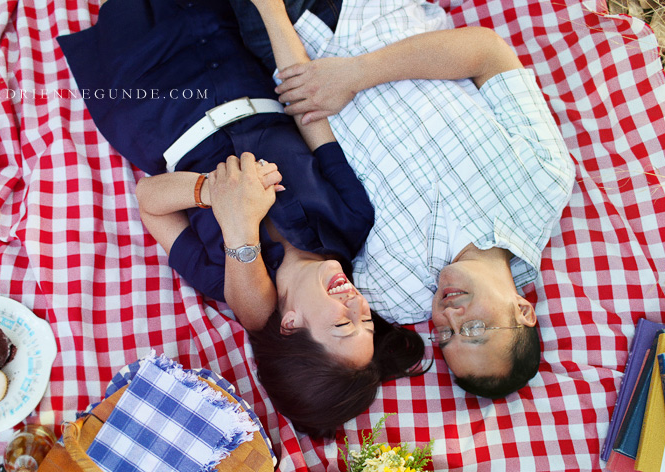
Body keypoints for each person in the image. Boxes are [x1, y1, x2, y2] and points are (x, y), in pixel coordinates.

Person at [56, 0, 425, 437]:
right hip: (232, 59)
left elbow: (149, 199)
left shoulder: (222, 279)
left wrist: (215, 193)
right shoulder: (352, 220)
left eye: (344, 322)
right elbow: (310, 116)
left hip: (151, 96)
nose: (358, 304)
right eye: (366, 319)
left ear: (291, 326)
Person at [246, 0, 576, 398]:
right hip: (374, 12)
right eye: (473, 329)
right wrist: (357, 74)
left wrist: (279, 29)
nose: (450, 315)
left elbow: (292, 281)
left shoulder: (391, 294)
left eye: (444, 334)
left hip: (286, 51)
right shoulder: (545, 182)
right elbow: (489, 53)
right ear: (522, 311)